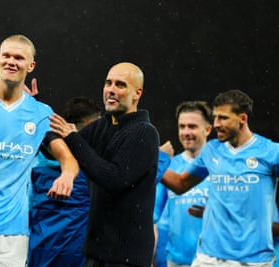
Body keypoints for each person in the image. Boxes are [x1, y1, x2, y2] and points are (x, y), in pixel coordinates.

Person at [0, 34, 79, 267]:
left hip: (13, 231)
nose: (11, 62)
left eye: (19, 57)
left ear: (31, 65)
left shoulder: (40, 113)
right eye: (6, 55)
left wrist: (67, 175)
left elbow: (68, 158)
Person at [50, 62, 160, 267]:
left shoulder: (144, 132)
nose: (111, 90)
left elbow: (113, 179)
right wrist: (34, 111)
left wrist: (73, 137)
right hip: (96, 251)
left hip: (126, 258)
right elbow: (55, 140)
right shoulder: (102, 126)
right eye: (108, 83)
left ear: (137, 93)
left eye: (120, 85)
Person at [161, 89, 279, 266]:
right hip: (208, 258)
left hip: (253, 260)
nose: (216, 124)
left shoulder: (270, 152)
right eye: (215, 117)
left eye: (223, 118)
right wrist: (154, 160)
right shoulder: (212, 150)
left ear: (242, 119)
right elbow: (180, 184)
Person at [28, 97, 102, 267]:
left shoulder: (35, 161)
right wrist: (162, 156)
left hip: (37, 252)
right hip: (74, 256)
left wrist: (32, 106)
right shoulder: (91, 171)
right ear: (91, 124)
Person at [154, 101, 212, 267]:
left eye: (192, 126)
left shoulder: (220, 165)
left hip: (214, 260)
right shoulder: (169, 165)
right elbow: (154, 216)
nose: (186, 132)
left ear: (207, 129)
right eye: (182, 126)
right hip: (176, 261)